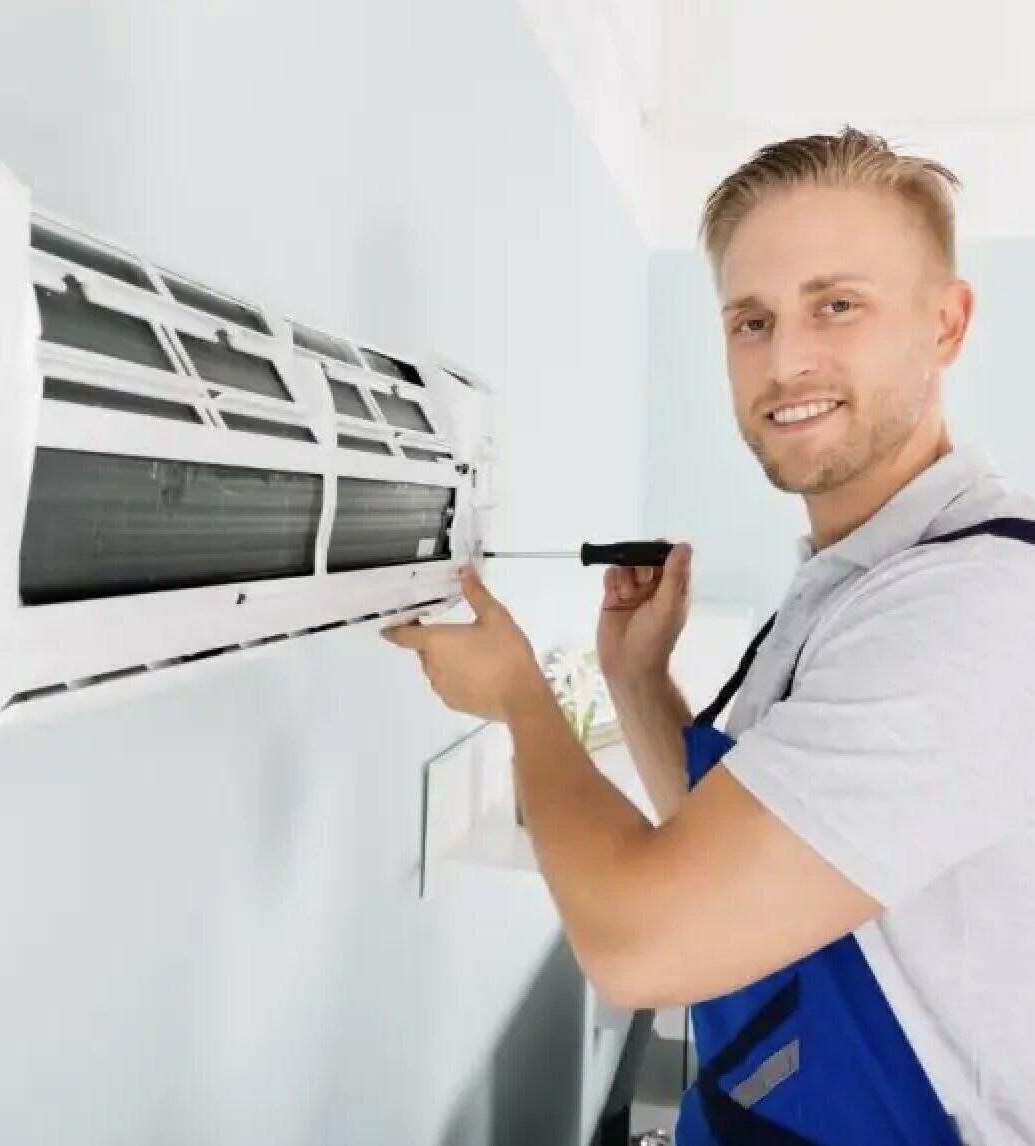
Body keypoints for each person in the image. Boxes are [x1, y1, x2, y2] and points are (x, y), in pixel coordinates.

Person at [385, 129, 1035, 1145]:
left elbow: (640, 947)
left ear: (945, 323)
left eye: (837, 305)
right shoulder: (852, 580)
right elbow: (750, 859)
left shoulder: (977, 609)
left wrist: (519, 696)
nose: (784, 361)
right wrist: (637, 681)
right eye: (751, 321)